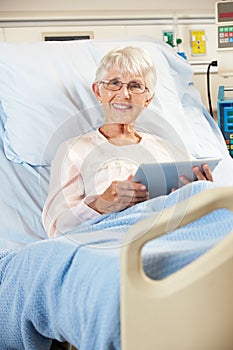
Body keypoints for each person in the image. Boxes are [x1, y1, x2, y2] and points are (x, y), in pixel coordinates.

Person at [42, 46, 213, 237]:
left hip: (170, 237)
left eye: (135, 86)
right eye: (114, 83)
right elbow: (55, 226)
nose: (124, 94)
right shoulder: (74, 151)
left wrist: (203, 193)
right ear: (98, 92)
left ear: (147, 99)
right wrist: (100, 205)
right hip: (112, 241)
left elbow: (197, 213)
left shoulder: (168, 150)